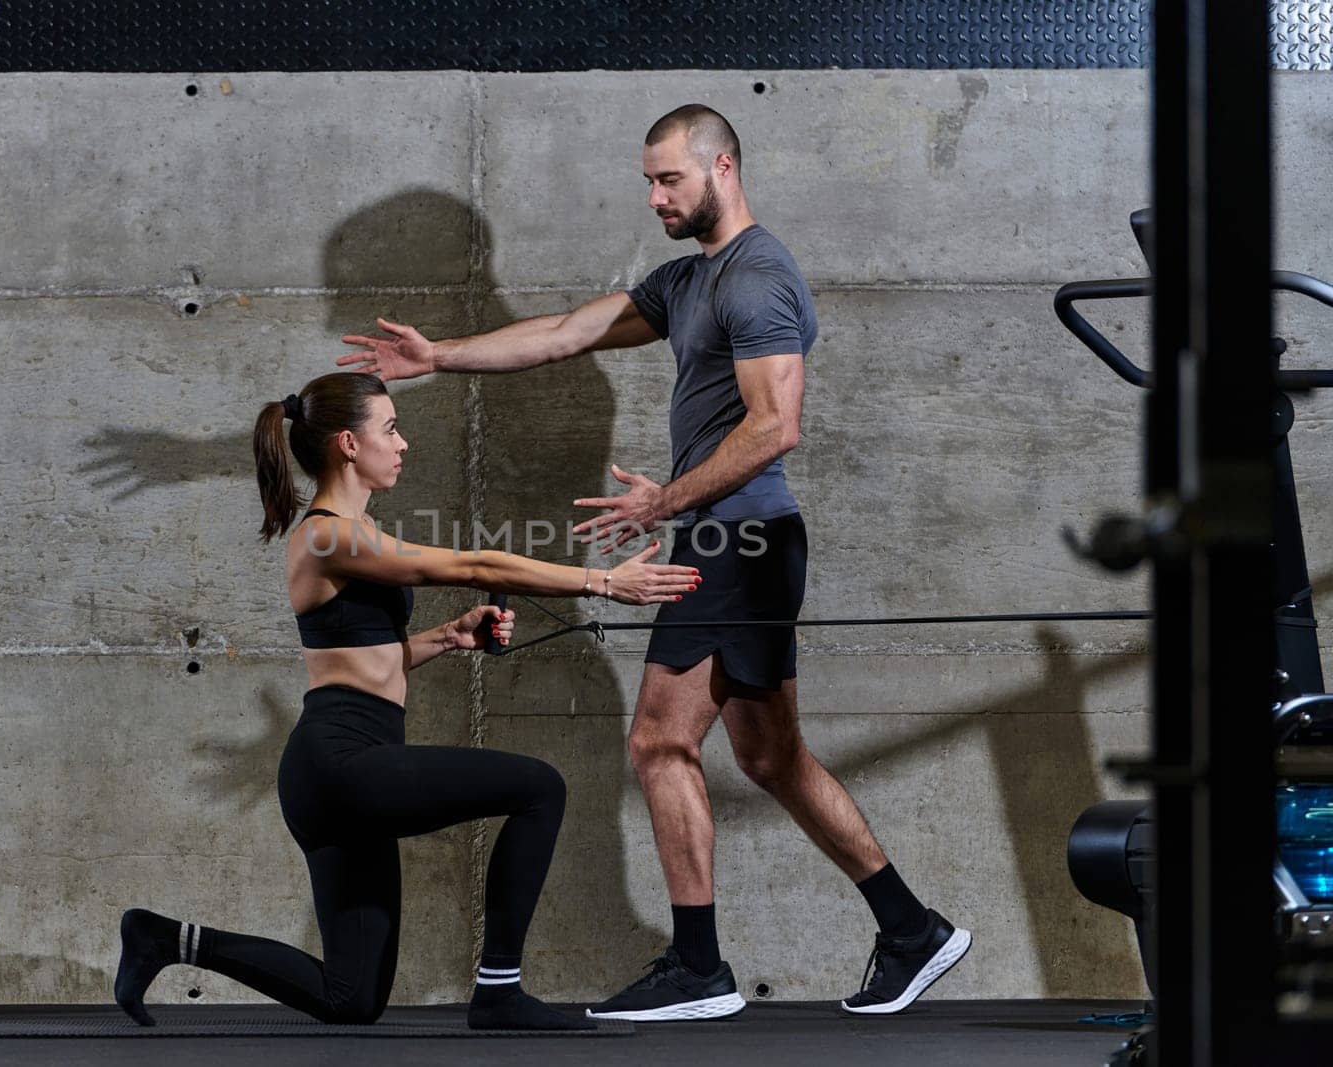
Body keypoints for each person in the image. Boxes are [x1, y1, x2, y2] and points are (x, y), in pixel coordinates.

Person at [338, 104, 970, 1020]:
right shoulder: (689, 281)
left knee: (658, 741)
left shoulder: (758, 280)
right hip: (733, 540)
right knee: (773, 756)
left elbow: (777, 426)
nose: (654, 196)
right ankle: (912, 930)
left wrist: (664, 502)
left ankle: (701, 969)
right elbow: (565, 331)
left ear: (722, 168)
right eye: (648, 180)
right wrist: (439, 357)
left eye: (669, 178)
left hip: (734, 541)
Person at [114, 371, 700, 1030]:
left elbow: (357, 661)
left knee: (352, 997)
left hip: (340, 772)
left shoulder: (345, 536)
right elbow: (474, 565)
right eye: (389, 429)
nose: (403, 444)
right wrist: (601, 580)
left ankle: (165, 938)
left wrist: (449, 637)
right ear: (347, 443)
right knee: (539, 787)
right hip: (338, 767)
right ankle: (500, 988)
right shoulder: (331, 536)